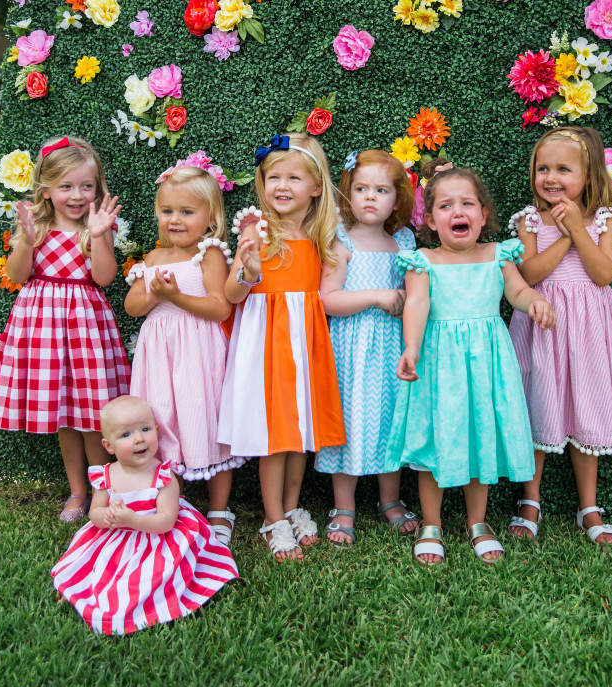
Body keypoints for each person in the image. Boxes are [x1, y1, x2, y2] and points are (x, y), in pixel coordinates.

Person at [385, 159, 556, 565]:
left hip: (486, 363)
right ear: (429, 219)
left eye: (466, 204)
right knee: (435, 439)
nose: (457, 212)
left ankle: (478, 522)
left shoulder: (499, 254)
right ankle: (431, 524)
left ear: (483, 215)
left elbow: (516, 291)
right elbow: (417, 305)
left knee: (480, 436)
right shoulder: (423, 260)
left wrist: (535, 301)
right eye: (445, 206)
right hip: (438, 363)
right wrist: (410, 348)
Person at [508, 127, 612, 545]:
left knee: (589, 407)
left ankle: (589, 505)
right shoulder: (530, 220)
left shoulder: (604, 220)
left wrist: (580, 231)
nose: (550, 177)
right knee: (538, 404)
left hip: (588, 328)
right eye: (542, 169)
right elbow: (528, 275)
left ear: (588, 176)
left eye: (563, 169)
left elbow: (604, 274)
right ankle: (530, 501)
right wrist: (564, 235)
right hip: (543, 324)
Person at [0, 136, 130, 523]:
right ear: (46, 190)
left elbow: (104, 277)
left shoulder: (95, 227)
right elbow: (18, 275)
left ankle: (103, 491)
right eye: (66, 186)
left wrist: (99, 235)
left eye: (86, 186)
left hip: (84, 329)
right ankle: (78, 492)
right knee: (66, 416)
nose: (77, 195)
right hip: (44, 330)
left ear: (97, 188)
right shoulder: (36, 226)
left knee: (91, 415)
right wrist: (26, 242)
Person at [218, 133, 346, 562]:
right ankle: (272, 517)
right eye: (274, 177)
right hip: (267, 344)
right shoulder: (257, 230)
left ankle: (292, 506)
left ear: (315, 187)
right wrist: (248, 270)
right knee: (276, 434)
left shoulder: (320, 233)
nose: (282, 186)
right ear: (262, 181)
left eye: (294, 177)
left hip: (305, 343)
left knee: (300, 434)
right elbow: (231, 296)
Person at [125, 164, 243, 547]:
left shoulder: (208, 254)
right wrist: (154, 294)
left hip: (198, 351)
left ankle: (220, 510)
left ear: (210, 219)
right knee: (162, 418)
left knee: (204, 418)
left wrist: (176, 297)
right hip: (159, 355)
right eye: (167, 211)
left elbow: (220, 308)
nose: (175, 220)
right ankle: (171, 505)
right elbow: (132, 306)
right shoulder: (155, 258)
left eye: (187, 212)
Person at [51, 395, 238, 635]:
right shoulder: (105, 476)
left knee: (149, 577)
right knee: (97, 569)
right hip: (115, 537)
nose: (139, 438)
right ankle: (82, 593)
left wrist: (134, 520)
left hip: (157, 538)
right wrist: (107, 516)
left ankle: (146, 603)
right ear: (109, 446)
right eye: (126, 434)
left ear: (157, 431)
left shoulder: (163, 476)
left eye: (145, 429)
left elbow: (167, 521)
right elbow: (94, 513)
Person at [316, 149, 418, 546]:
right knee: (347, 422)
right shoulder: (341, 242)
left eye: (381, 190)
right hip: (349, 350)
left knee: (390, 421)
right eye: (361, 189)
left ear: (398, 199)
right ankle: (344, 506)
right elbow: (328, 299)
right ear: (348, 194)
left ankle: (390, 499)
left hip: (391, 347)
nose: (370, 197)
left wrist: (406, 301)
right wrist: (376, 295)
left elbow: (416, 295)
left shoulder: (403, 242)